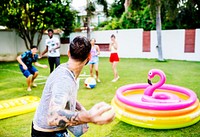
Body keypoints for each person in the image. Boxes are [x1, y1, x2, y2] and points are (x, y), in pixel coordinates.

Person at [31, 36, 115, 137]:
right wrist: (89, 116)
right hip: (46, 133)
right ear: (89, 57)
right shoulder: (64, 79)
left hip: (57, 131)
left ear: (68, 53)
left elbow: (67, 95)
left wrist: (82, 109)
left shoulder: (69, 71)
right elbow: (52, 118)